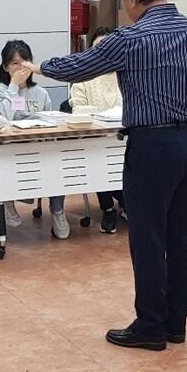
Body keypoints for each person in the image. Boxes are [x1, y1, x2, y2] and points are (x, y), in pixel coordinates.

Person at [34, 0, 187, 350]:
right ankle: (175, 324)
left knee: (148, 236)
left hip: (152, 146)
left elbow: (80, 67)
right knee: (182, 235)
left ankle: (150, 325)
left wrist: (40, 66)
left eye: (124, 2)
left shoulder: (130, 38)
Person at [0, 39, 65, 238]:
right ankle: (7, 203)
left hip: (38, 147)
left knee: (56, 163)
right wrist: (14, 86)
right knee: (5, 161)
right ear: (5, 66)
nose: (22, 67)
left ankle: (58, 211)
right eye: (15, 63)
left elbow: (50, 121)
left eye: (26, 62)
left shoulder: (41, 93)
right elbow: (5, 118)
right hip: (10, 149)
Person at [68, 26, 125, 233]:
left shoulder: (126, 73)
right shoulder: (83, 77)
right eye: (97, 48)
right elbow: (78, 109)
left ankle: (127, 202)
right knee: (99, 158)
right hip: (94, 139)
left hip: (124, 138)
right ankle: (108, 208)